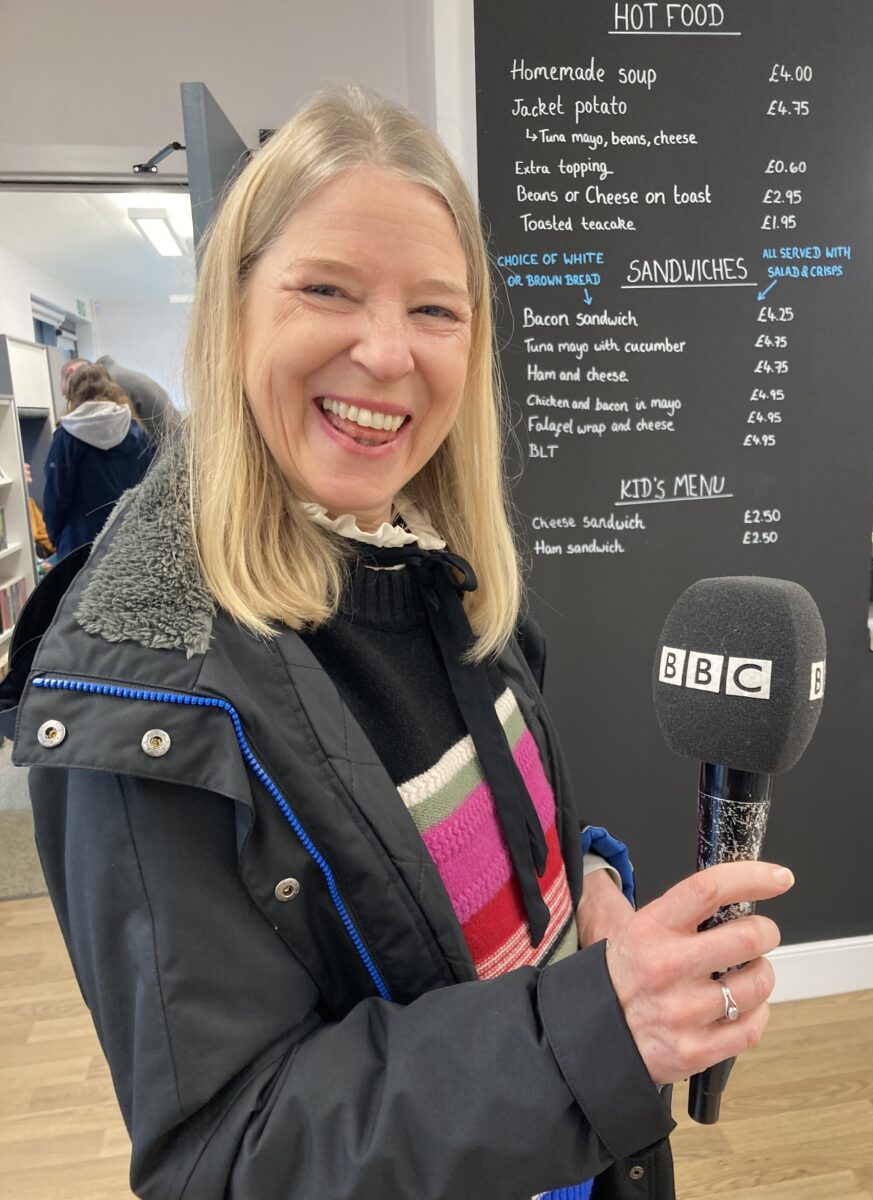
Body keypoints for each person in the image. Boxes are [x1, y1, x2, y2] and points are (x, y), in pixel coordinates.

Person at [8, 89, 791, 1200]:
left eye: (437, 309)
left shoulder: (439, 567)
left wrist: (588, 893)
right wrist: (593, 1032)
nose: (386, 353)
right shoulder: (145, 690)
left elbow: (487, 866)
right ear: (234, 314)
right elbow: (226, 1158)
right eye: (326, 290)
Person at [42, 362, 154, 558]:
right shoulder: (136, 432)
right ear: (110, 388)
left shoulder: (66, 437)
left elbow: (56, 497)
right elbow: (151, 486)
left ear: (74, 394)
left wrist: (55, 538)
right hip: (129, 542)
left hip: (79, 547)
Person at [60, 355, 179, 446]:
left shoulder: (107, 386)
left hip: (166, 450)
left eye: (69, 396)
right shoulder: (121, 376)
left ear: (71, 372)